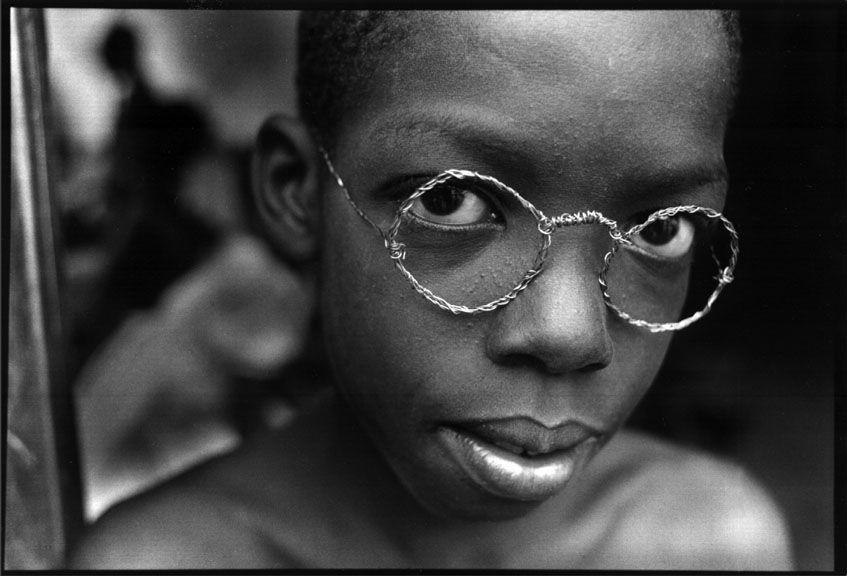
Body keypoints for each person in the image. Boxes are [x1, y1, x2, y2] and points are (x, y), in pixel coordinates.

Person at [69, 11, 794, 569]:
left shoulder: (708, 541)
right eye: (451, 203)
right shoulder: (161, 561)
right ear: (296, 192)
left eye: (660, 229)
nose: (571, 334)